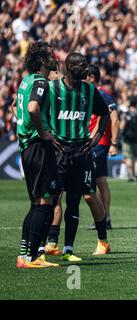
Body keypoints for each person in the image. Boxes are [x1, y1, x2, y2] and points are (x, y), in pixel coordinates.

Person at [44, 52, 111, 261]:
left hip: (81, 152)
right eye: (81, 65)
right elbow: (39, 113)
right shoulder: (53, 89)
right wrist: (47, 134)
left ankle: (69, 250)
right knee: (52, 199)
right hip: (59, 152)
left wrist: (96, 136)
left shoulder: (90, 91)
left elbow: (106, 113)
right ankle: (44, 246)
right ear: (70, 67)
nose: (86, 68)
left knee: (75, 200)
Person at [15, 41, 61, 268]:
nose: (56, 59)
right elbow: (33, 107)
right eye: (52, 56)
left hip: (27, 145)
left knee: (36, 203)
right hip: (38, 145)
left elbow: (17, 106)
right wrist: (42, 132)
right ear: (43, 60)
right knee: (44, 202)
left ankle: (24, 255)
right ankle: (32, 257)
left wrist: (24, 128)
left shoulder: (26, 80)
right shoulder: (41, 81)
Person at [85, 64, 120, 230]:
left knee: (97, 181)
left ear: (92, 78)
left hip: (100, 142)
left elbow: (115, 119)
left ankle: (104, 217)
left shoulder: (104, 96)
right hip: (91, 142)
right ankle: (104, 217)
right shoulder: (89, 93)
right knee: (99, 181)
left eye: (85, 76)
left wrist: (114, 143)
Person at [120, 96, 137, 182]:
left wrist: (119, 134)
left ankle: (130, 175)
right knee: (136, 157)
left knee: (128, 157)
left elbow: (122, 125)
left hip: (127, 139)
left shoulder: (126, 113)